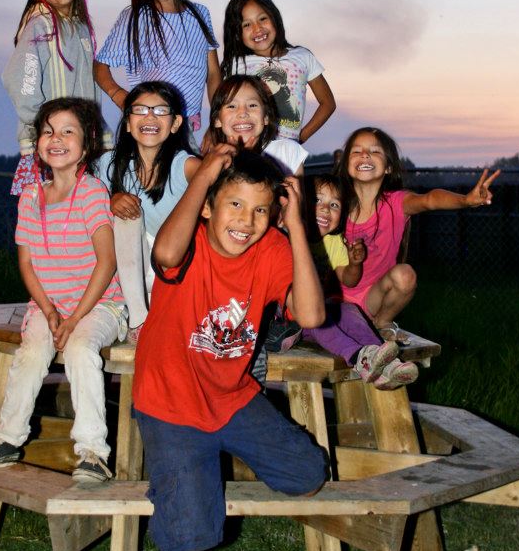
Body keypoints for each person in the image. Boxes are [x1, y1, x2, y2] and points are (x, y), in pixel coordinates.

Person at [132, 148, 329, 551]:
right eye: (234, 205)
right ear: (209, 206)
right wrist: (207, 178)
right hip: (170, 402)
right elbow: (165, 255)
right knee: (191, 525)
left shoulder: (270, 247)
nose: (244, 220)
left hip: (231, 396)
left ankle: (206, 473)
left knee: (307, 473)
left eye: (260, 210)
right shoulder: (187, 239)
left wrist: (295, 230)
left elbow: (312, 316)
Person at [0, 99, 127, 484]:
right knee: (31, 351)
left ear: (88, 143)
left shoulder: (91, 192)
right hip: (49, 304)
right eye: (48, 131)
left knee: (79, 349)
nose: (55, 139)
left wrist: (74, 319)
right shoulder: (30, 196)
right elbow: (26, 263)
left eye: (67, 131)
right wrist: (50, 310)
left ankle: (93, 452)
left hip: (100, 304)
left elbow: (106, 263)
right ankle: (8, 437)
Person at [339, 127, 500, 340]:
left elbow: (430, 199)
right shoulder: (334, 206)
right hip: (337, 300)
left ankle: (382, 324)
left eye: (375, 151)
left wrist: (465, 200)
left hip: (373, 298)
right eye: (356, 151)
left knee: (405, 275)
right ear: (346, 164)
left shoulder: (397, 203)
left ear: (388, 167)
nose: (365, 155)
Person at [3, 0, 112, 195]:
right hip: (55, 149)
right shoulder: (40, 26)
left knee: (85, 222)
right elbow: (19, 78)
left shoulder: (81, 28)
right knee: (52, 222)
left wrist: (99, 132)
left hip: (84, 143)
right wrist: (46, 128)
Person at [94, 0, 221, 142]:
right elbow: (100, 67)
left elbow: (213, 72)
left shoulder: (200, 13)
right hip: (150, 124)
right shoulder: (134, 18)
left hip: (184, 125)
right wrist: (120, 96)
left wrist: (218, 121)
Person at [101, 81, 200, 341]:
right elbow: (82, 204)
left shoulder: (187, 166)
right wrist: (111, 199)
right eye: (141, 110)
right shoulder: (108, 165)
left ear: (176, 123)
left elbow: (221, 190)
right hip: (129, 273)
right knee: (126, 215)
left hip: (175, 268)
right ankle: (138, 317)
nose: (149, 117)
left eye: (159, 111)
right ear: (127, 122)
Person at [302, 174, 418, 388]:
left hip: (323, 309)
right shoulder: (290, 234)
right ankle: (358, 357)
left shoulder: (333, 241)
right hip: (292, 320)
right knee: (318, 313)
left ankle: (387, 364)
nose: (326, 209)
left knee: (348, 309)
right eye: (317, 200)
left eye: (334, 205)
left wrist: (355, 264)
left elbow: (349, 280)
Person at [221, 0, 336, 143]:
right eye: (247, 24)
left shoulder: (302, 57)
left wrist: (301, 137)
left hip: (288, 155)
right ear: (237, 33)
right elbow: (223, 109)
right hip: (250, 153)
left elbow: (328, 103)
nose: (257, 28)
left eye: (262, 19)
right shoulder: (235, 65)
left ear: (275, 19)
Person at [207, 73, 309, 176]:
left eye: (252, 105)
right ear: (217, 120)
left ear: (266, 117)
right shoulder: (214, 164)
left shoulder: (287, 151)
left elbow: (298, 191)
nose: (243, 113)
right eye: (232, 106)